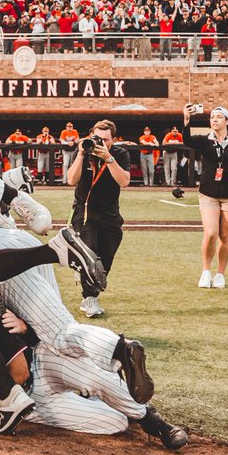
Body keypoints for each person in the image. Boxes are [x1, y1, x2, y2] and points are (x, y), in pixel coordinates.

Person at [65, 120, 130, 318]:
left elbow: (124, 181)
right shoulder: (84, 151)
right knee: (90, 254)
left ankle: (90, 283)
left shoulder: (120, 154)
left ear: (114, 140)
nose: (100, 143)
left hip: (110, 214)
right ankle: (89, 297)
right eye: (97, 138)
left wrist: (109, 159)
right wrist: (82, 155)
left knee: (106, 259)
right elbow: (71, 180)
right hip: (85, 213)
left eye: (106, 140)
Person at [181, 105, 228, 288]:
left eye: (219, 117)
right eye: (212, 117)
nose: (214, 119)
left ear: (227, 121)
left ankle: (220, 274)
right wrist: (187, 119)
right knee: (211, 233)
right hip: (208, 194)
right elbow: (187, 140)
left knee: (225, 235)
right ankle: (205, 271)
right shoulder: (205, 141)